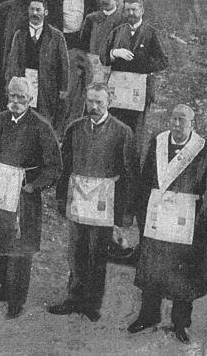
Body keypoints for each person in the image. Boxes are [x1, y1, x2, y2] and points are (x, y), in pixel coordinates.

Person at [48, 84, 138, 322]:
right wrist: (60, 197)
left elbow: (130, 174)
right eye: (90, 102)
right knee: (76, 250)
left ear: (110, 101)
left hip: (103, 202)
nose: (94, 107)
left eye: (99, 102)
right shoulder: (75, 128)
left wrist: (125, 212)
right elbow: (64, 166)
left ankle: (92, 303)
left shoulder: (122, 132)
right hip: (78, 198)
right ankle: (73, 298)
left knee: (98, 252)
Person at [128, 104, 207, 344]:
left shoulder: (204, 149)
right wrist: (142, 212)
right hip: (157, 215)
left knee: (183, 274)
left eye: (182, 121)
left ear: (192, 124)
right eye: (174, 119)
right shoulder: (158, 142)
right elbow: (146, 178)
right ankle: (148, 315)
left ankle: (180, 323)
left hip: (187, 221)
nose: (177, 125)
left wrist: (202, 221)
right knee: (152, 268)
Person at [0, 75, 61, 320]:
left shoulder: (41, 125)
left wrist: (34, 186)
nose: (15, 102)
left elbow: (54, 167)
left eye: (21, 98)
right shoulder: (1, 119)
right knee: (2, 237)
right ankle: (4, 288)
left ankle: (17, 299)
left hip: (25, 194)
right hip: (0, 189)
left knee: (21, 246)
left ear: (30, 99)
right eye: (12, 97)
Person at [104, 0, 169, 157]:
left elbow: (163, 61)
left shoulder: (151, 33)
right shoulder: (117, 32)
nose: (131, 13)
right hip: (118, 90)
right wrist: (114, 52)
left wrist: (143, 67)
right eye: (127, 10)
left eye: (134, 10)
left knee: (135, 133)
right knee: (115, 128)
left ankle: (132, 174)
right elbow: (103, 57)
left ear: (142, 11)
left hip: (139, 91)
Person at [3, 0, 69, 130]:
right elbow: (12, 62)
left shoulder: (56, 36)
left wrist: (63, 88)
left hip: (46, 84)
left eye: (38, 10)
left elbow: (64, 64)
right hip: (23, 81)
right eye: (32, 9)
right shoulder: (20, 34)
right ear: (28, 11)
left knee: (43, 120)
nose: (34, 13)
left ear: (45, 12)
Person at [78, 0, 124, 78]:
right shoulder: (91, 19)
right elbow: (83, 45)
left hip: (116, 69)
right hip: (94, 68)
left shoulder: (123, 20)